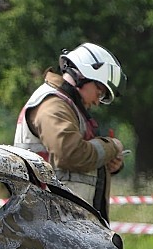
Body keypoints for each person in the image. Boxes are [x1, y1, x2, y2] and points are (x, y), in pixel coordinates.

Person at [12, 42, 127, 217]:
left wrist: (107, 164)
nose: (97, 102)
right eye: (99, 92)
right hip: (47, 222)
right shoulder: (53, 105)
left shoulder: (68, 107)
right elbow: (71, 154)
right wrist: (113, 146)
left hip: (59, 222)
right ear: (86, 75)